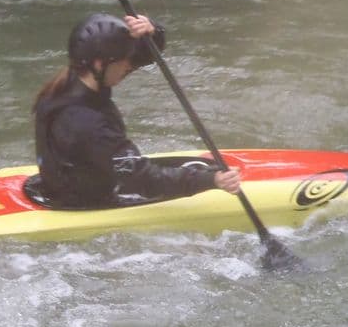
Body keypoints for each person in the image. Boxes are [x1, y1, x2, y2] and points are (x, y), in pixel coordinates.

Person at [30, 12, 241, 209]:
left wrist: (151, 34)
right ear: (100, 64)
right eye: (124, 63)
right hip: (86, 201)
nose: (128, 68)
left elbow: (138, 57)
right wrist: (211, 180)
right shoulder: (87, 124)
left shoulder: (71, 81)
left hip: (65, 180)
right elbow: (142, 179)